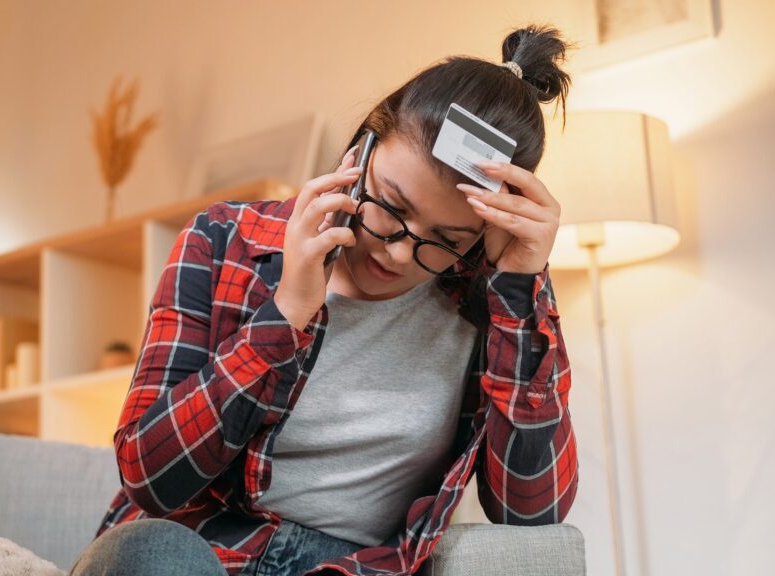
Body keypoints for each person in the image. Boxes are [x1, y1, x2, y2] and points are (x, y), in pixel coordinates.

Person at [71, 24, 578, 576]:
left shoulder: (484, 307)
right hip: (191, 551)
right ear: (359, 154)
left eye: (446, 239)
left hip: (345, 566)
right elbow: (149, 479)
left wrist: (519, 293)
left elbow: (532, 515)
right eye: (392, 206)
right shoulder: (224, 240)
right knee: (154, 555)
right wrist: (285, 314)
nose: (399, 253)